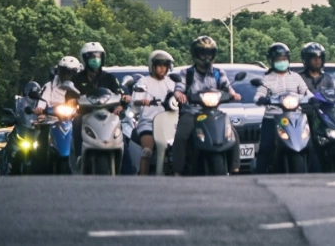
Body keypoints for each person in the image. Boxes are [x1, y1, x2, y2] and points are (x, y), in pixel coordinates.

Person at [173, 35, 242, 175]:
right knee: (181, 136)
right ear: (195, 54)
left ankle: (235, 167)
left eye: (209, 53)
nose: (206, 57)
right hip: (192, 113)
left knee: (233, 133)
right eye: (203, 53)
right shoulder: (186, 73)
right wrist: (180, 95)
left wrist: (233, 94)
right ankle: (178, 170)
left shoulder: (218, 73)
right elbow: (178, 88)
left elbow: (227, 87)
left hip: (214, 113)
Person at [254, 43, 312, 174]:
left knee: (309, 145)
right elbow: (258, 95)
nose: (282, 62)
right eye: (278, 60)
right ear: (271, 61)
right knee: (266, 147)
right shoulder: (267, 79)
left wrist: (313, 99)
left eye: (284, 59)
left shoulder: (296, 77)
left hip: (295, 118)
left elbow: (306, 92)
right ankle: (259, 174)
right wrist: (262, 99)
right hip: (273, 118)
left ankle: (314, 173)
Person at [71, 42, 127, 159]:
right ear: (85, 59)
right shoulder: (77, 78)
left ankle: (127, 167)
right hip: (85, 114)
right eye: (92, 57)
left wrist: (122, 102)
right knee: (76, 122)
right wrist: (71, 100)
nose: (95, 59)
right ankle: (79, 156)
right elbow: (69, 94)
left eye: (98, 56)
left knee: (121, 130)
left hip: (108, 115)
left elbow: (120, 92)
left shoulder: (109, 77)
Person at [131, 50, 176, 175]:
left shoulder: (171, 83)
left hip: (169, 123)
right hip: (149, 122)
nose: (162, 69)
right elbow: (134, 102)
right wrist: (142, 101)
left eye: (165, 66)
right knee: (147, 151)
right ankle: (143, 179)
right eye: (160, 66)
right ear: (153, 67)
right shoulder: (144, 82)